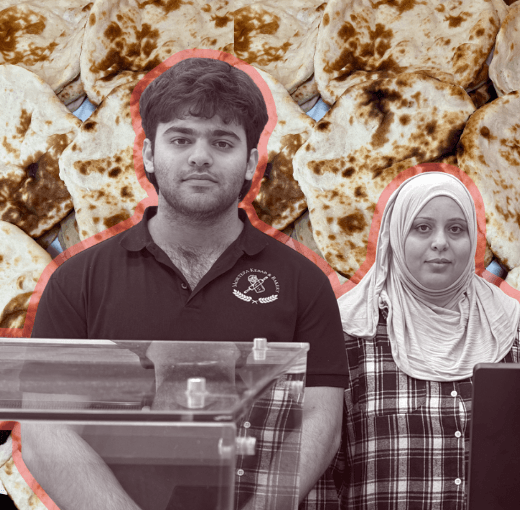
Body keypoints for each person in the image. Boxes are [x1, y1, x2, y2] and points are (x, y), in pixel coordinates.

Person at [28, 56, 347, 509]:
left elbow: (321, 421)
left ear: (250, 161)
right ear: (150, 155)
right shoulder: (77, 281)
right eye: (181, 138)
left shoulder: (304, 282)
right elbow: (46, 432)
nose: (200, 155)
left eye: (223, 141)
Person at [306, 170, 520, 509]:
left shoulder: (514, 330)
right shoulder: (349, 331)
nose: (441, 242)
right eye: (422, 227)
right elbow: (323, 476)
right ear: (395, 235)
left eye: (456, 229)